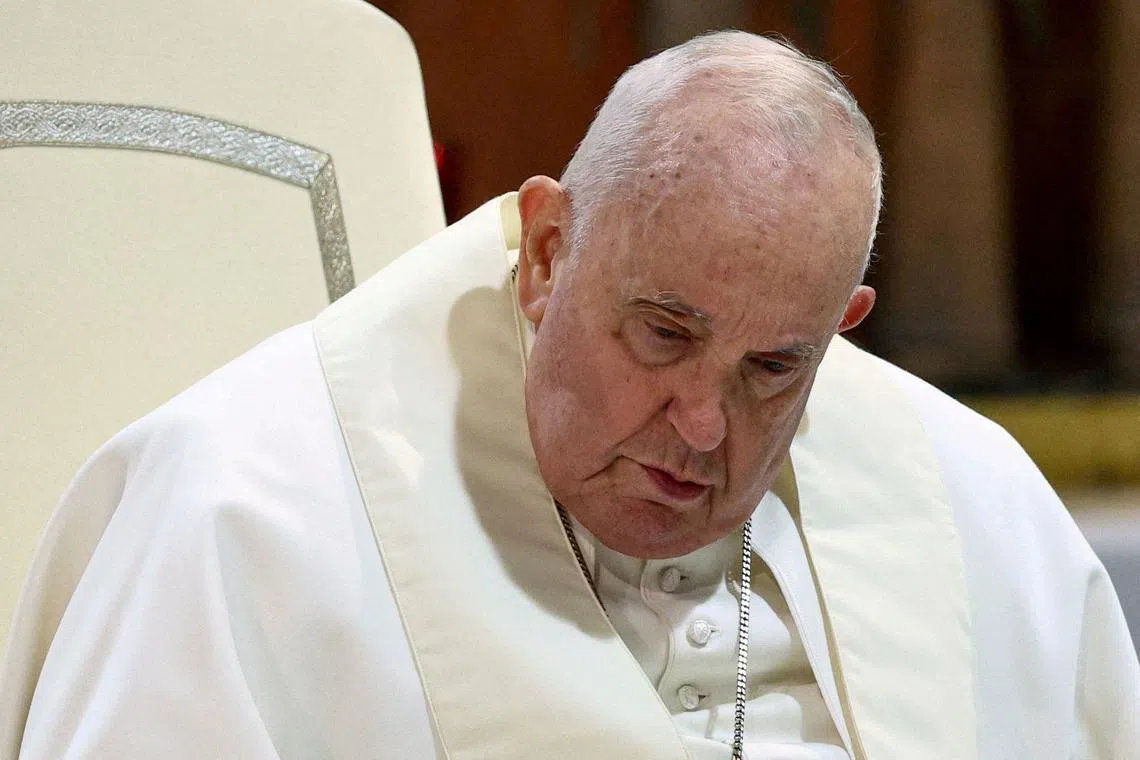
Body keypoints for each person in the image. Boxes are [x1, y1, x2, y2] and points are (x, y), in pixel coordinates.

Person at [2, 31, 1137, 760]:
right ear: (547, 253)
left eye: (773, 369)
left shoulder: (975, 503)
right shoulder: (244, 512)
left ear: (844, 327)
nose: (703, 429)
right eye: (663, 334)